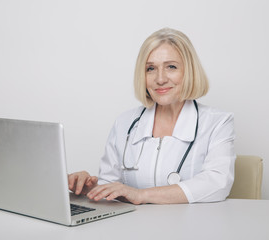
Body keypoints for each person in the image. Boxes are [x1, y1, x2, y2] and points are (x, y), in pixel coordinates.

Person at [68, 28, 235, 204]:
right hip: (134, 228)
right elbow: (112, 186)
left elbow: (217, 183)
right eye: (150, 68)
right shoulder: (124, 123)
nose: (160, 79)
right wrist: (90, 188)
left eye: (171, 67)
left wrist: (141, 195)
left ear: (189, 71)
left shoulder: (217, 122)